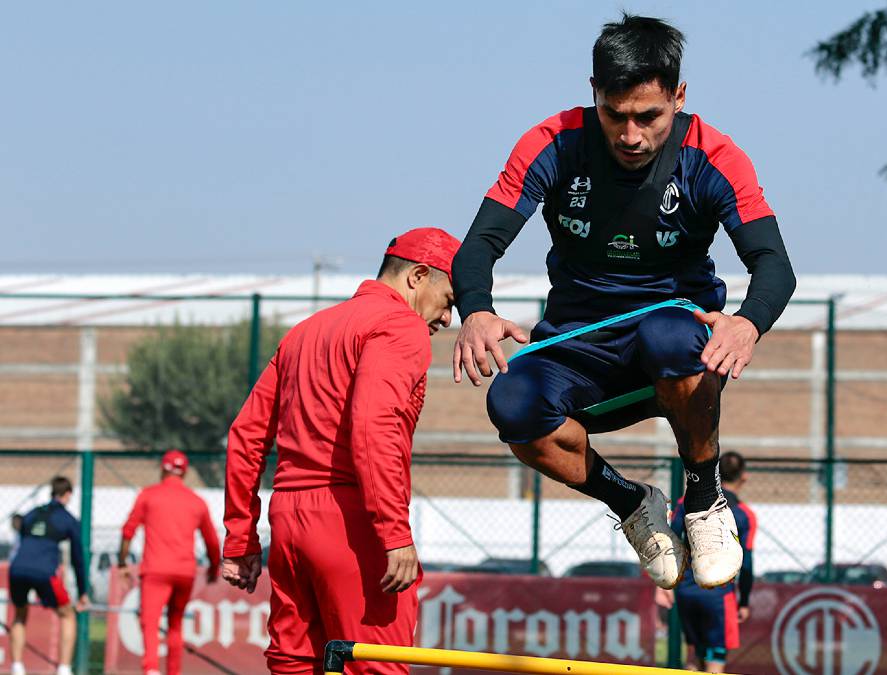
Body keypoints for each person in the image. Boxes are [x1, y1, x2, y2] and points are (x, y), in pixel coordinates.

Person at [450, 14, 795, 591]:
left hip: (674, 348)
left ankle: (705, 500)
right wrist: (477, 310)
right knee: (510, 400)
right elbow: (477, 246)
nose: (631, 135)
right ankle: (633, 504)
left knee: (668, 333)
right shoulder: (553, 142)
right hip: (580, 347)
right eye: (616, 115)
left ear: (678, 98)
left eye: (649, 116)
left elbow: (775, 265)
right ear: (594, 95)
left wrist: (747, 324)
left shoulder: (715, 154)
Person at [221, 228, 459, 675]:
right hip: (352, 523)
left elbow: (246, 434)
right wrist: (394, 533)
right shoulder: (400, 326)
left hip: (289, 523)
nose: (448, 319)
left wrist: (240, 539)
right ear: (418, 276)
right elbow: (373, 426)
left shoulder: (304, 331)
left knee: (295, 664)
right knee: (375, 665)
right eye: (448, 300)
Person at [117, 449, 221, 675]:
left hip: (155, 570)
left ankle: (151, 669)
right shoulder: (197, 502)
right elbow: (212, 542)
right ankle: (173, 672)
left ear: (162, 469)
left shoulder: (148, 495)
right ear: (184, 473)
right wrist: (214, 569)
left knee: (150, 621)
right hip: (185, 572)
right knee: (175, 625)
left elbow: (128, 531)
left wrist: (122, 562)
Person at [669, 451, 755, 673]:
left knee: (693, 657)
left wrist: (666, 585)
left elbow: (671, 538)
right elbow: (746, 564)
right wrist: (744, 600)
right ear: (743, 477)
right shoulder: (744, 514)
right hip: (719, 594)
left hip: (687, 589)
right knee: (715, 658)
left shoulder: (685, 501)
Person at [7, 476, 89, 675]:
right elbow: (78, 558)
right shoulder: (68, 520)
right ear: (68, 494)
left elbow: (21, 537)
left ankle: (17, 667)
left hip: (17, 568)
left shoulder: (32, 514)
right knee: (67, 614)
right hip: (44, 571)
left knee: (19, 613)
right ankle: (64, 669)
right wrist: (83, 592)